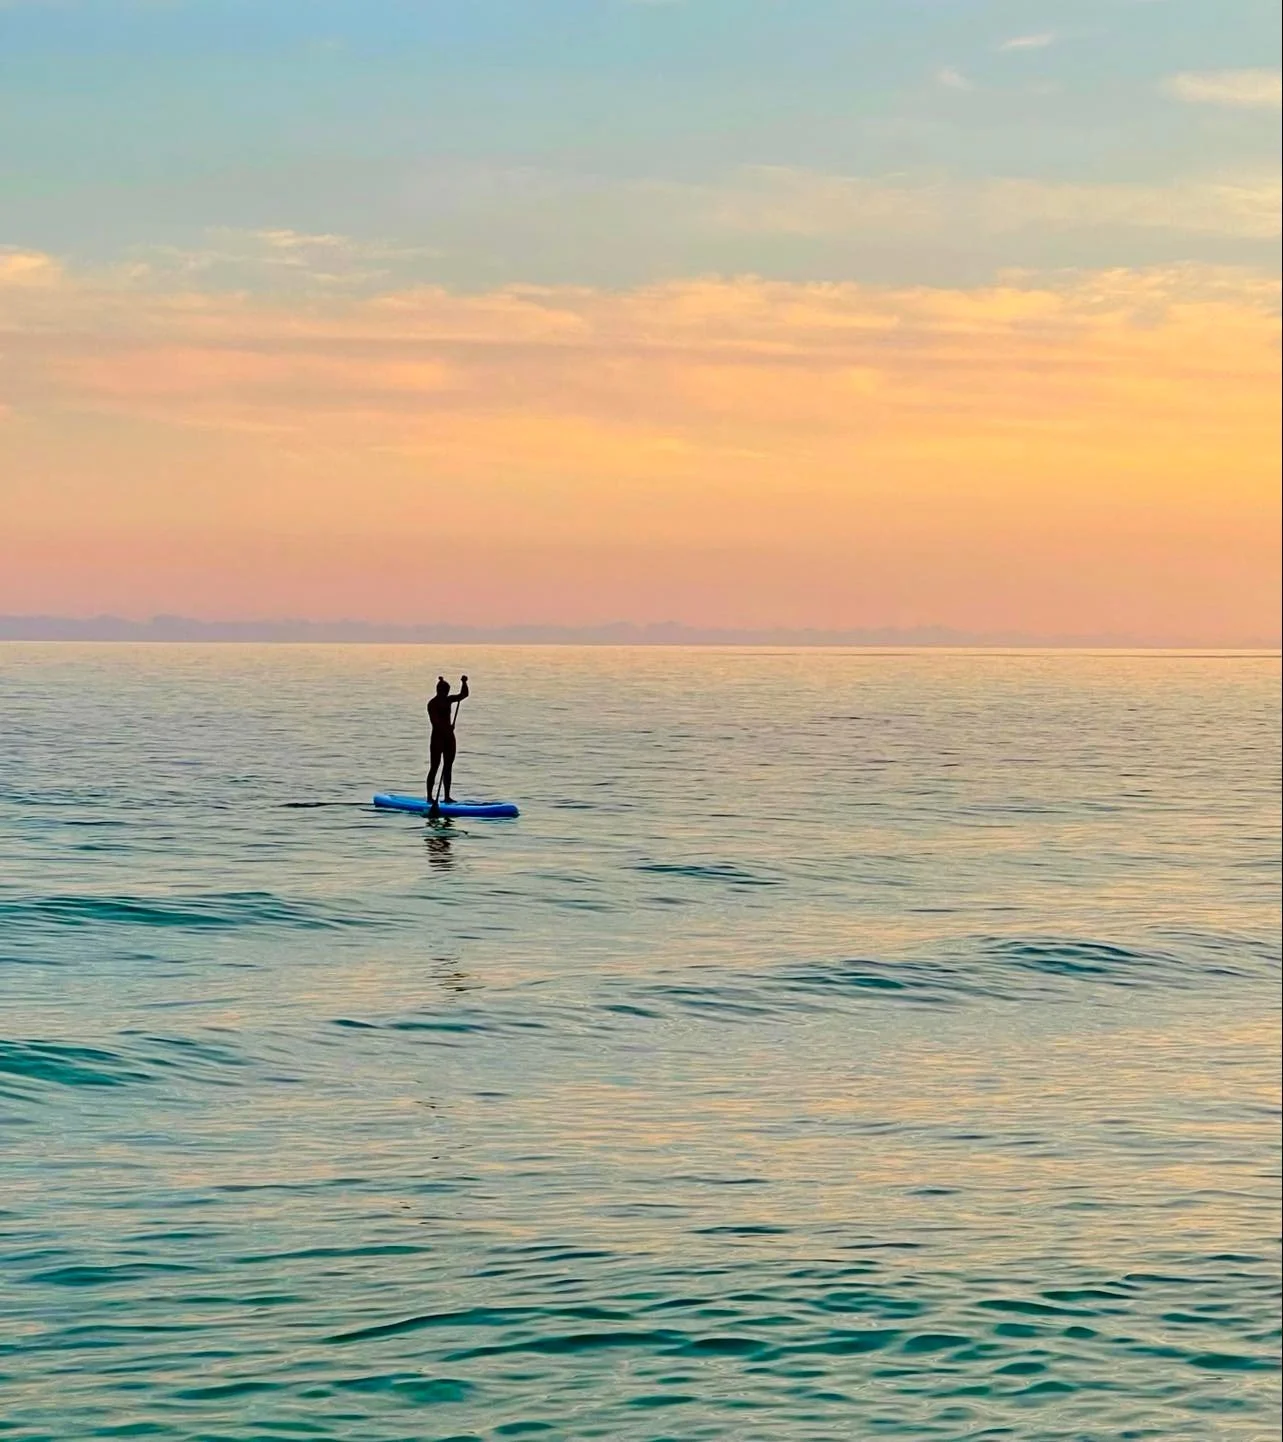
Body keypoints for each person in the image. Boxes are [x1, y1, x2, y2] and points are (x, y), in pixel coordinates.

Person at [426, 674, 468, 808]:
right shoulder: (432, 704)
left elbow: (463, 695)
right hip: (438, 739)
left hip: (449, 738)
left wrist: (464, 683)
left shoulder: (449, 700)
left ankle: (447, 797)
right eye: (444, 691)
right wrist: (448, 728)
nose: (446, 694)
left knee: (448, 767)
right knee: (434, 767)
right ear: (439, 691)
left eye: (447, 692)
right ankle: (429, 797)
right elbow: (435, 722)